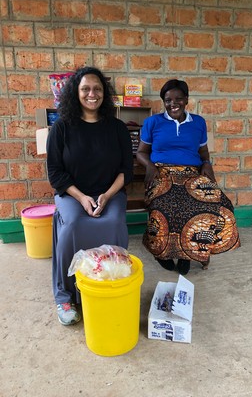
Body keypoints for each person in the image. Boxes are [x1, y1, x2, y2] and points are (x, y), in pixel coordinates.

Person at [46, 67, 133, 325]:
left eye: (97, 89)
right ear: (76, 92)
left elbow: (125, 171)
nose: (92, 94)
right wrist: (82, 197)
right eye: (85, 89)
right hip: (72, 193)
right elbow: (55, 174)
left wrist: (106, 196)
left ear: (105, 94)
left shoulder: (117, 128)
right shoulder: (61, 128)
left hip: (110, 192)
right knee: (73, 224)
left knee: (114, 222)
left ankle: (112, 284)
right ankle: (66, 295)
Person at [136, 79, 240, 275]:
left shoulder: (198, 122)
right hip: (162, 172)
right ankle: (161, 252)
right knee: (165, 205)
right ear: (163, 102)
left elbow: (204, 153)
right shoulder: (153, 122)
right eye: (167, 100)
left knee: (219, 205)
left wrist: (207, 164)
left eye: (178, 99)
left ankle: (188, 254)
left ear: (186, 100)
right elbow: (141, 152)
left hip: (191, 173)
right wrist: (149, 165)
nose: (173, 103)